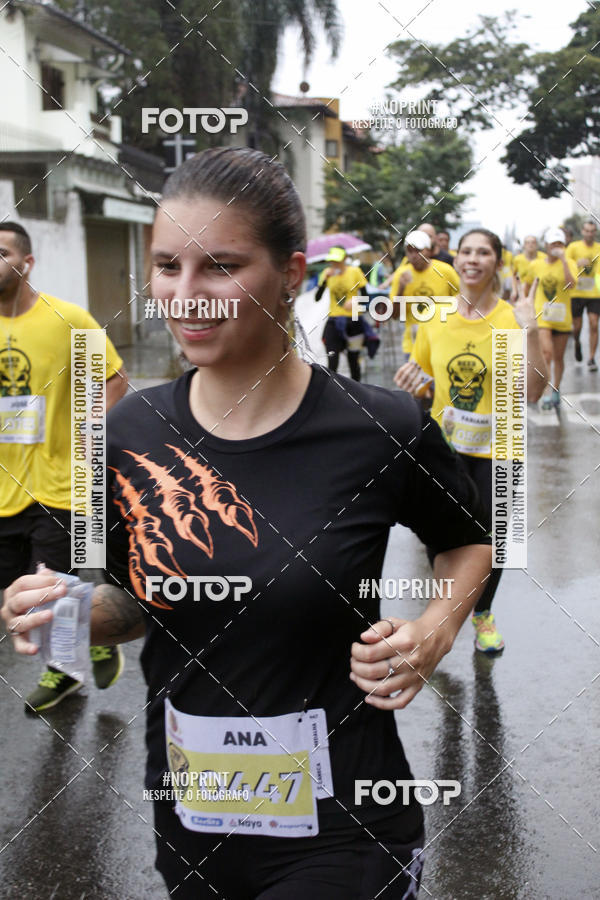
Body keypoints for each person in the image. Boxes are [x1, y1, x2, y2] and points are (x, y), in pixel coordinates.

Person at [3, 148, 494, 899]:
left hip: (347, 825)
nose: (186, 295)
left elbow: (468, 542)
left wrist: (435, 630)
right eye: (168, 267)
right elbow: (133, 606)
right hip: (193, 816)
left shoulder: (380, 426)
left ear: (291, 273)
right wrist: (63, 613)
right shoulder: (127, 432)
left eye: (220, 267)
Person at [394, 228, 547, 653]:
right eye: (466, 251)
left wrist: (531, 330)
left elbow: (533, 391)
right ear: (455, 259)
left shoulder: (511, 318)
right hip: (445, 445)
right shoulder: (435, 316)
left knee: (497, 542)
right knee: (439, 533)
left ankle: (481, 614)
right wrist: (410, 383)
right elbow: (422, 374)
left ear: (497, 262)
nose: (473, 259)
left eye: (484, 253)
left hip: (501, 444)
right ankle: (447, 613)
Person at [0, 221, 128, 711]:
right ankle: (95, 637)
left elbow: (113, 377)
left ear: (26, 262)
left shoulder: (66, 318)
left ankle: (64, 673)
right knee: (17, 587)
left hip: (60, 484)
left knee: (49, 584)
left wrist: (90, 429)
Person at [522, 227, 577, 409]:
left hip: (562, 317)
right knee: (547, 354)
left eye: (559, 244)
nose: (556, 247)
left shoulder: (569, 262)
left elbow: (571, 284)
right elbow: (528, 285)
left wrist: (563, 260)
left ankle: (555, 388)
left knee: (559, 357)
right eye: (553, 243)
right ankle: (545, 391)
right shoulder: (536, 265)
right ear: (545, 244)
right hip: (542, 316)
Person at [389, 231, 459, 358]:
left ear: (429, 251)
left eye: (418, 250)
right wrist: (401, 289)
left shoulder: (445, 271)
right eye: (409, 251)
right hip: (414, 345)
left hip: (443, 341)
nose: (414, 255)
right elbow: (394, 315)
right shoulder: (401, 274)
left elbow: (464, 301)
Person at [315, 246, 378, 380]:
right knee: (332, 360)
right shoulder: (327, 273)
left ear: (344, 259)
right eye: (332, 261)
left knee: (353, 361)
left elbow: (366, 297)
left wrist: (356, 302)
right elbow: (317, 297)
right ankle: (333, 391)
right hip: (334, 319)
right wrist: (325, 280)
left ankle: (357, 393)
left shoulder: (355, 272)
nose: (334, 264)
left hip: (353, 319)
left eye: (337, 261)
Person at [566, 220, 600, 370]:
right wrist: (576, 263)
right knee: (576, 327)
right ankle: (577, 342)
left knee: (594, 324)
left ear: (595, 233)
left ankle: (591, 358)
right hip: (576, 293)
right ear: (582, 231)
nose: (589, 233)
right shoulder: (574, 247)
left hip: (594, 293)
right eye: (587, 230)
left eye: (592, 231)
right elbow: (565, 264)